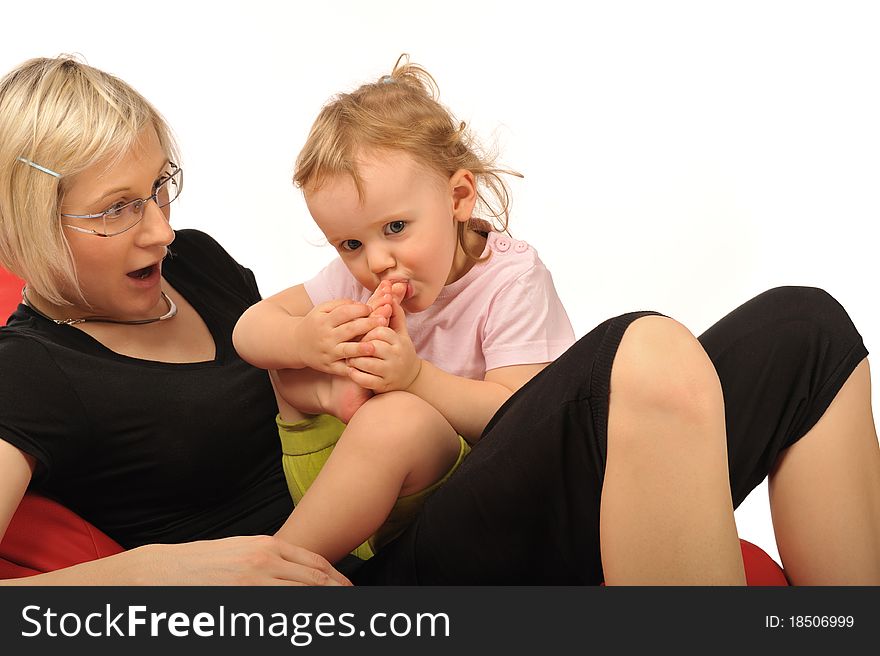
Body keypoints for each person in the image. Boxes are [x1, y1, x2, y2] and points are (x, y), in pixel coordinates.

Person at [0, 55, 878, 586]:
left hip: (430, 502)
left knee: (807, 328)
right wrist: (158, 574)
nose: (159, 226)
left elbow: (297, 368)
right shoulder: (27, 371)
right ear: (34, 225)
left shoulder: (192, 263)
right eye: (116, 209)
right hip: (362, 583)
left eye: (160, 187)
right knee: (639, 351)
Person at [231, 57, 576, 564]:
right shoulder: (354, 275)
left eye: (395, 228)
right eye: (349, 242)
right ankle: (333, 410)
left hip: (473, 508)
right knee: (285, 367)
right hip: (340, 490)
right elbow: (248, 328)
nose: (373, 262)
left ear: (457, 197)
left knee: (398, 417)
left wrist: (414, 378)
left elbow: (521, 418)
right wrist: (306, 341)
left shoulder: (512, 281)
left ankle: (272, 570)